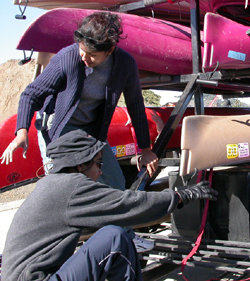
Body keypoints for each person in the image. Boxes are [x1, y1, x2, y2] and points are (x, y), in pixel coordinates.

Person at [2, 130, 218, 281]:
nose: (101, 171)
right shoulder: (72, 187)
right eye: (99, 163)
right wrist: (181, 196)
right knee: (114, 238)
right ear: (80, 164)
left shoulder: (51, 184)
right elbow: (130, 205)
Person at [0, 11, 158, 190]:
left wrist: (146, 150)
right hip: (58, 128)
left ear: (110, 50)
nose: (84, 57)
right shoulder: (67, 57)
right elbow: (31, 94)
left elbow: (136, 106)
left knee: (115, 184)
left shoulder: (125, 64)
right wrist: (21, 131)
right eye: (82, 50)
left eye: (92, 55)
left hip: (92, 131)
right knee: (63, 187)